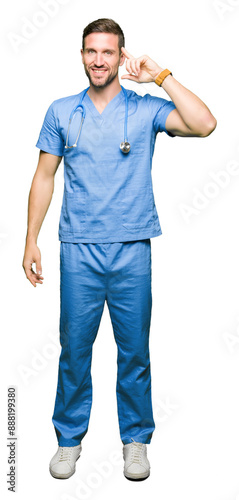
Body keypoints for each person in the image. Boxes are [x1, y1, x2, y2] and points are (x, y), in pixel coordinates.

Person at [22, 18, 217, 481]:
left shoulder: (145, 109)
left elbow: (205, 123)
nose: (98, 60)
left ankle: (135, 440)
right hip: (79, 250)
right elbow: (44, 176)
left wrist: (162, 76)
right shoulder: (62, 111)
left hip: (131, 249)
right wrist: (30, 238)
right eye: (91, 51)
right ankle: (68, 440)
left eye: (108, 52)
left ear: (122, 55)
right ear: (82, 55)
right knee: (74, 350)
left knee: (134, 351)